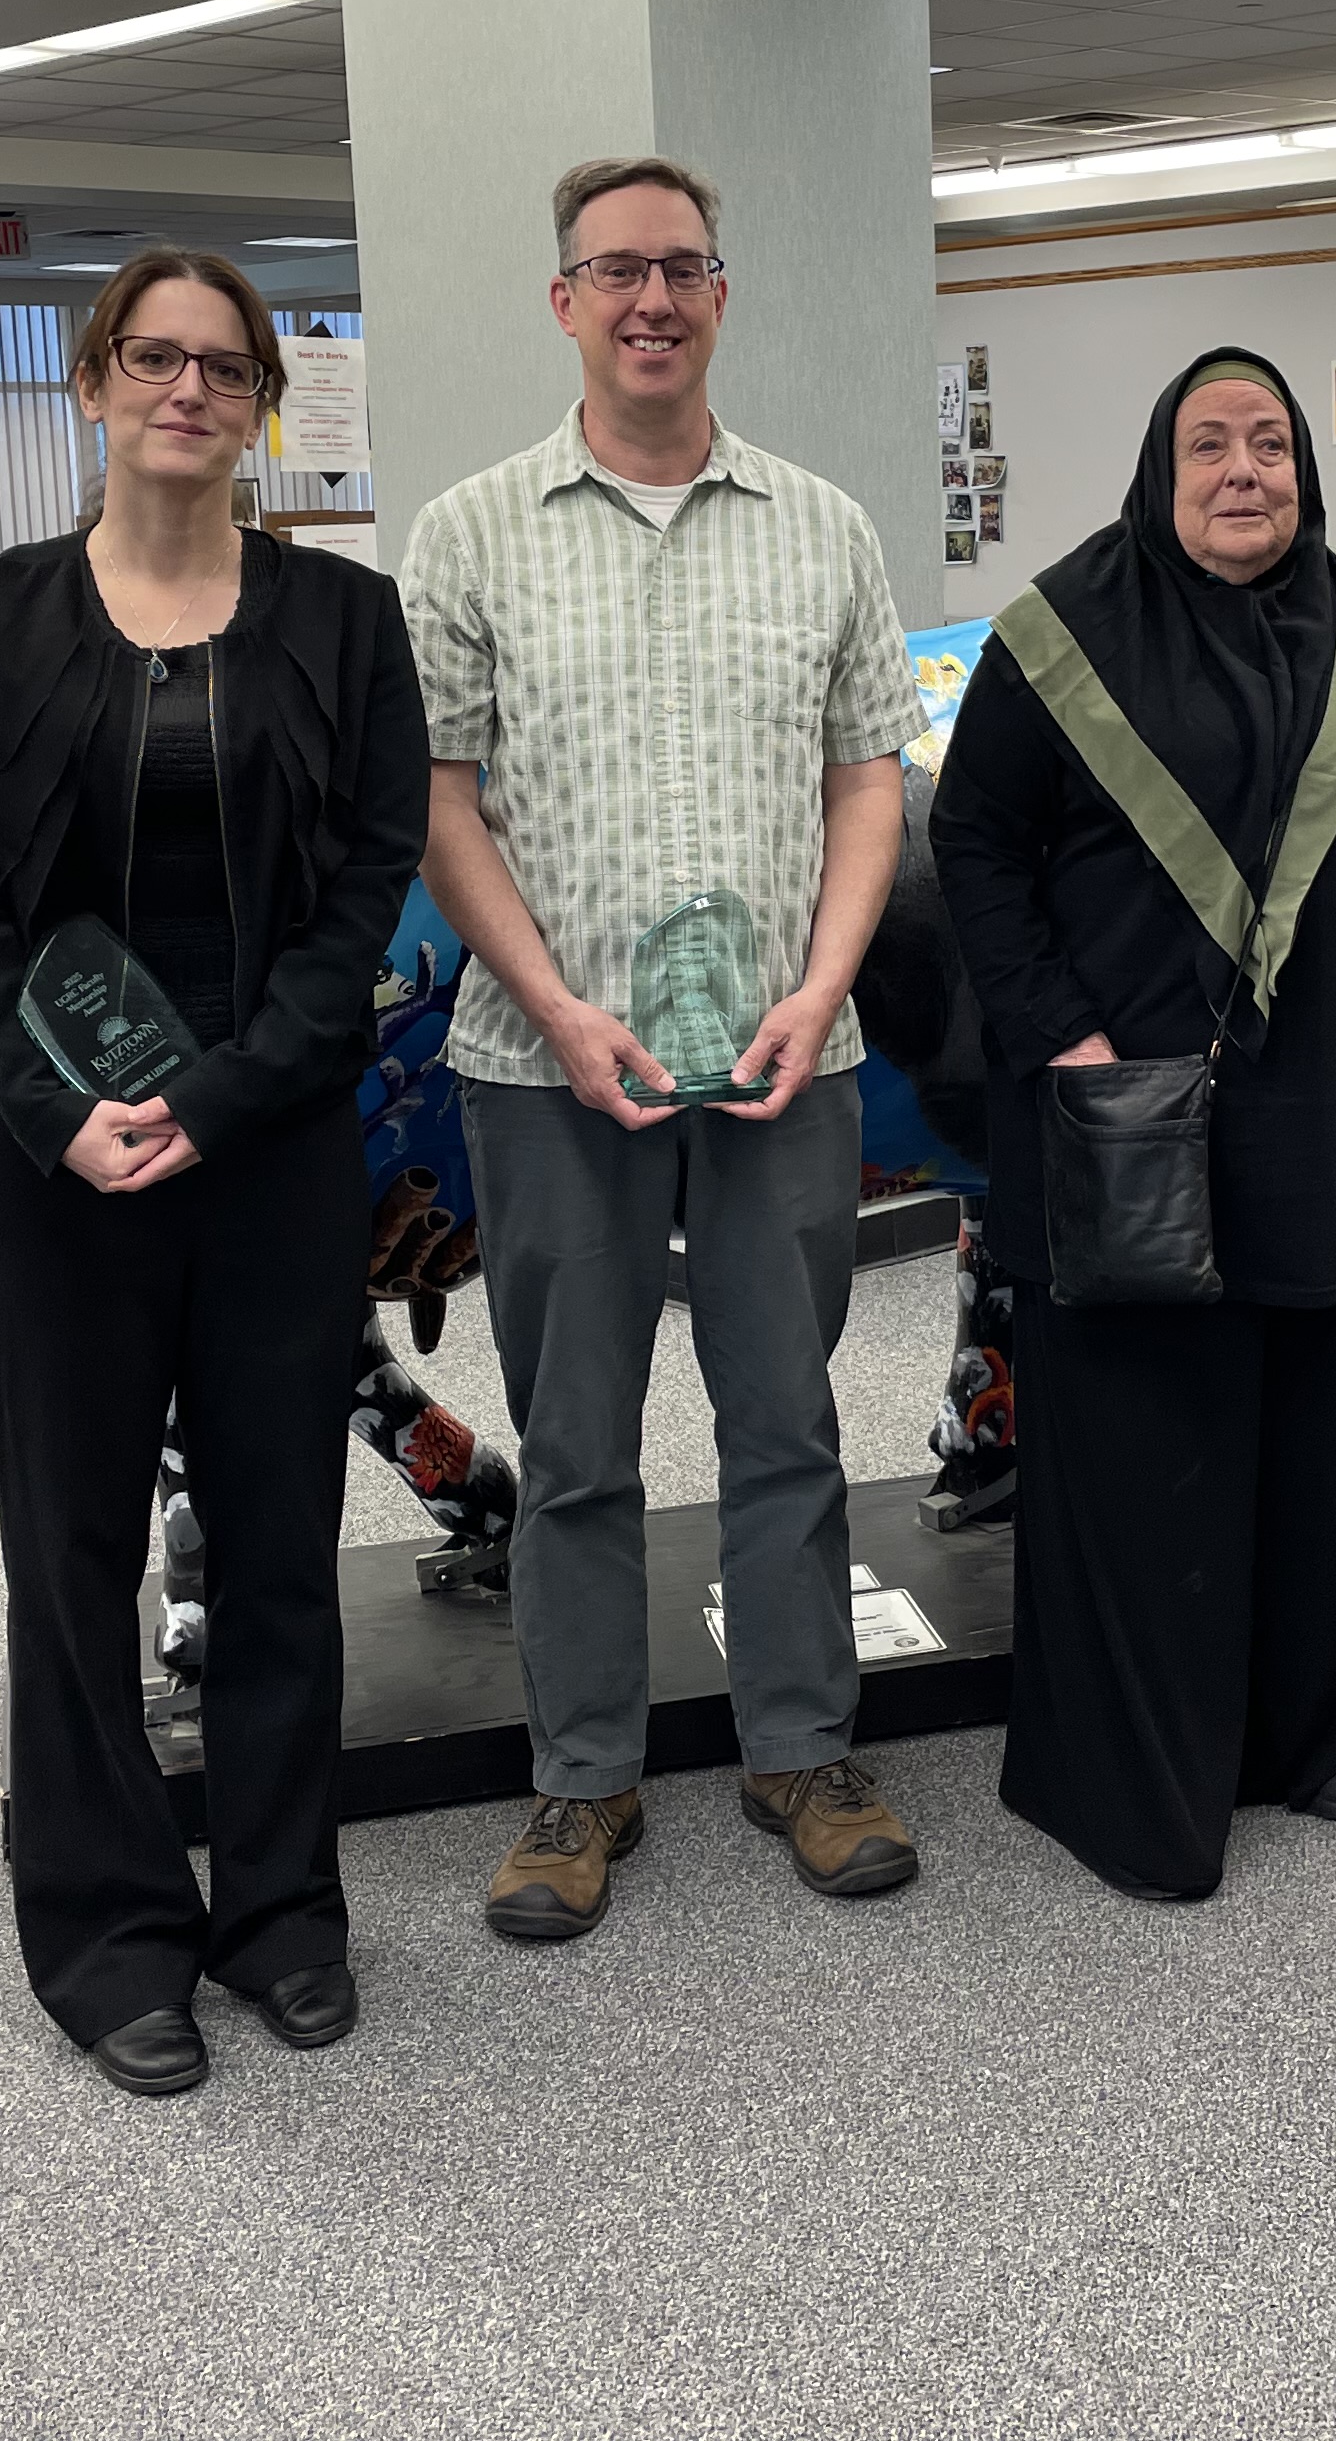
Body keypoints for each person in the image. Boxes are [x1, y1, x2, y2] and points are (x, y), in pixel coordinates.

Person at [0, 246, 427, 2095]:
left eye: (224, 365)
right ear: (93, 380)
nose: (187, 390)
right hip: (54, 1167)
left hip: (270, 1146)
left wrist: (223, 1096)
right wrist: (61, 1114)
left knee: (282, 1544)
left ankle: (283, 1904)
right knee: (74, 1552)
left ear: (262, 399)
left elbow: (363, 898)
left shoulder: (347, 625)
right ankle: (110, 1927)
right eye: (154, 357)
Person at [402, 153, 928, 1941]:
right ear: (564, 302)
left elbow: (872, 775)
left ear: (722, 295)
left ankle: (805, 1748)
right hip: (544, 1065)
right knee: (576, 1437)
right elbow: (438, 799)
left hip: (791, 1054)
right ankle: (580, 1777)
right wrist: (555, 1001)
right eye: (613, 269)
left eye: (681, 267)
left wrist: (822, 978)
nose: (650, 298)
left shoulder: (824, 525)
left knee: (789, 1418)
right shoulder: (470, 534)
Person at [931, 347, 1336, 1901]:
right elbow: (975, 843)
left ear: (1306, 472)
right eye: (1208, 444)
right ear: (1156, 468)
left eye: (1270, 442)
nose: (1243, 469)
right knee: (1151, 1424)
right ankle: (1153, 1748)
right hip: (1134, 1101)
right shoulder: (1061, 633)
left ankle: (1324, 1726)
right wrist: (1063, 1035)